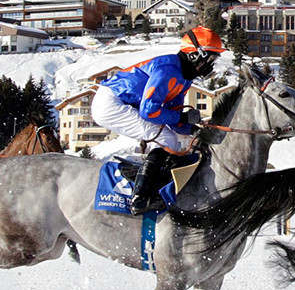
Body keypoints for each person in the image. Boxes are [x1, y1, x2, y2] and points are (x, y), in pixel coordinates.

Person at [90, 26, 223, 213]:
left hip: (122, 103)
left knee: (172, 139)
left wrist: (193, 129)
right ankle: (140, 198)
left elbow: (172, 113)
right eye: (210, 58)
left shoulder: (185, 77)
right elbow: (149, 112)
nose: (211, 65)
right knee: (166, 139)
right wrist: (183, 117)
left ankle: (151, 186)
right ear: (195, 54)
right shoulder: (168, 69)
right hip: (111, 102)